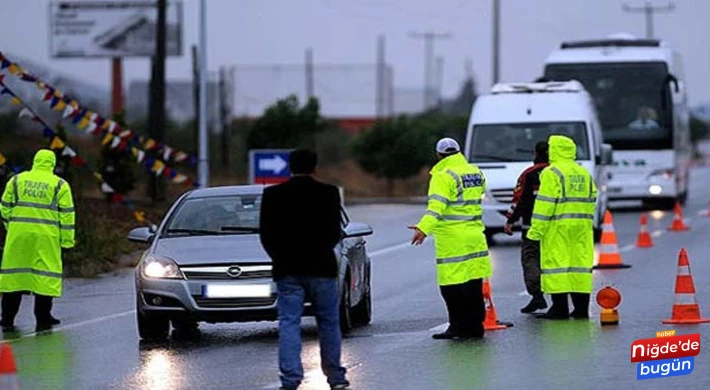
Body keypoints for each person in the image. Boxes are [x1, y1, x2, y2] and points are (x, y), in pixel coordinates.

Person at [259, 149, 349, 390]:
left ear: (289, 167)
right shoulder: (329, 193)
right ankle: (336, 377)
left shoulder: (273, 195)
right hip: (322, 267)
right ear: (315, 167)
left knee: (289, 323)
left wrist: (280, 257)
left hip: (288, 269)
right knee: (329, 323)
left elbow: (266, 234)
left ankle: (290, 379)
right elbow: (334, 233)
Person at [409, 138, 492, 339]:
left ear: (439, 155)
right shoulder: (475, 172)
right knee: (473, 283)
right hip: (475, 235)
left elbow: (436, 207)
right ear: (458, 151)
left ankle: (458, 327)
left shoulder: (442, 176)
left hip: (453, 238)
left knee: (451, 286)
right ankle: (476, 327)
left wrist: (423, 228)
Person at [0, 149, 75, 332]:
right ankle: (43, 317)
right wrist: (67, 241)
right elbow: (67, 215)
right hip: (46, 237)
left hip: (18, 235)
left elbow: (4, 206)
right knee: (45, 276)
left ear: (34, 161)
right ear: (52, 164)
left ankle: (7, 319)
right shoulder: (59, 185)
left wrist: (12, 226)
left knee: (14, 276)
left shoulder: (17, 180)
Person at [526, 135, 597, 320]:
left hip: (557, 227)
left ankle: (559, 308)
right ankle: (581, 309)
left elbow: (545, 205)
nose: (548, 151)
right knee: (579, 267)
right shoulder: (583, 173)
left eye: (551, 148)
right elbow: (593, 198)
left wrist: (535, 232)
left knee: (557, 266)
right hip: (582, 227)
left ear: (556, 150)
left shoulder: (552, 173)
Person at [504, 141, 549, 314]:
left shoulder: (529, 174)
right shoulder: (560, 173)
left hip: (532, 226)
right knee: (554, 261)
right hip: (557, 227)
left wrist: (510, 219)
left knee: (531, 260)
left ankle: (537, 296)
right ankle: (561, 299)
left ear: (536, 153)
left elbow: (520, 200)